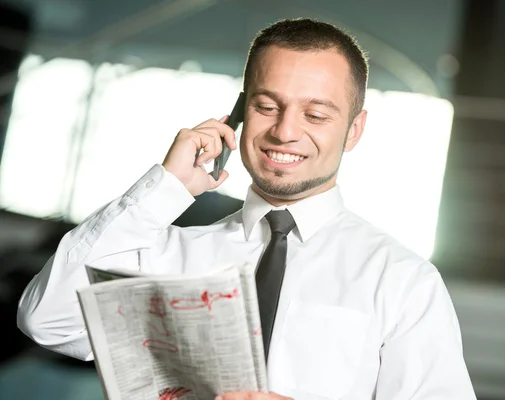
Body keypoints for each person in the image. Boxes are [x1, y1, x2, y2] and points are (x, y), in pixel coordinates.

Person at [17, 18, 476, 400]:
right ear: (237, 113)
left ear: (354, 131)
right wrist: (166, 187)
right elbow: (47, 319)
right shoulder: (165, 255)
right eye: (266, 106)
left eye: (315, 115)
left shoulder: (400, 279)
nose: (284, 132)